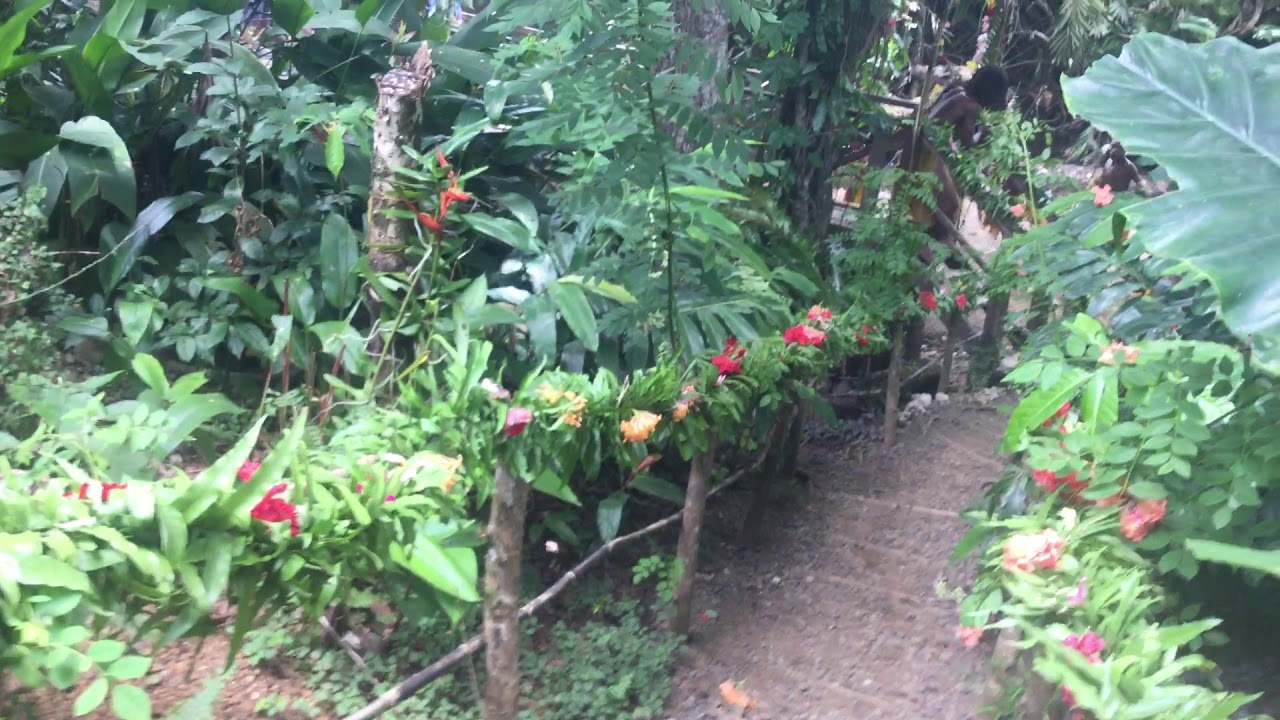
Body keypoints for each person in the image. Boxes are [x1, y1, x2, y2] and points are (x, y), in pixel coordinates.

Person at [905, 65, 1010, 268]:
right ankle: (933, 247)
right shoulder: (970, 106)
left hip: (920, 147)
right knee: (950, 202)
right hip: (928, 152)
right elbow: (967, 143)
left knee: (955, 192)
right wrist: (985, 134)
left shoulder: (957, 91)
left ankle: (942, 245)